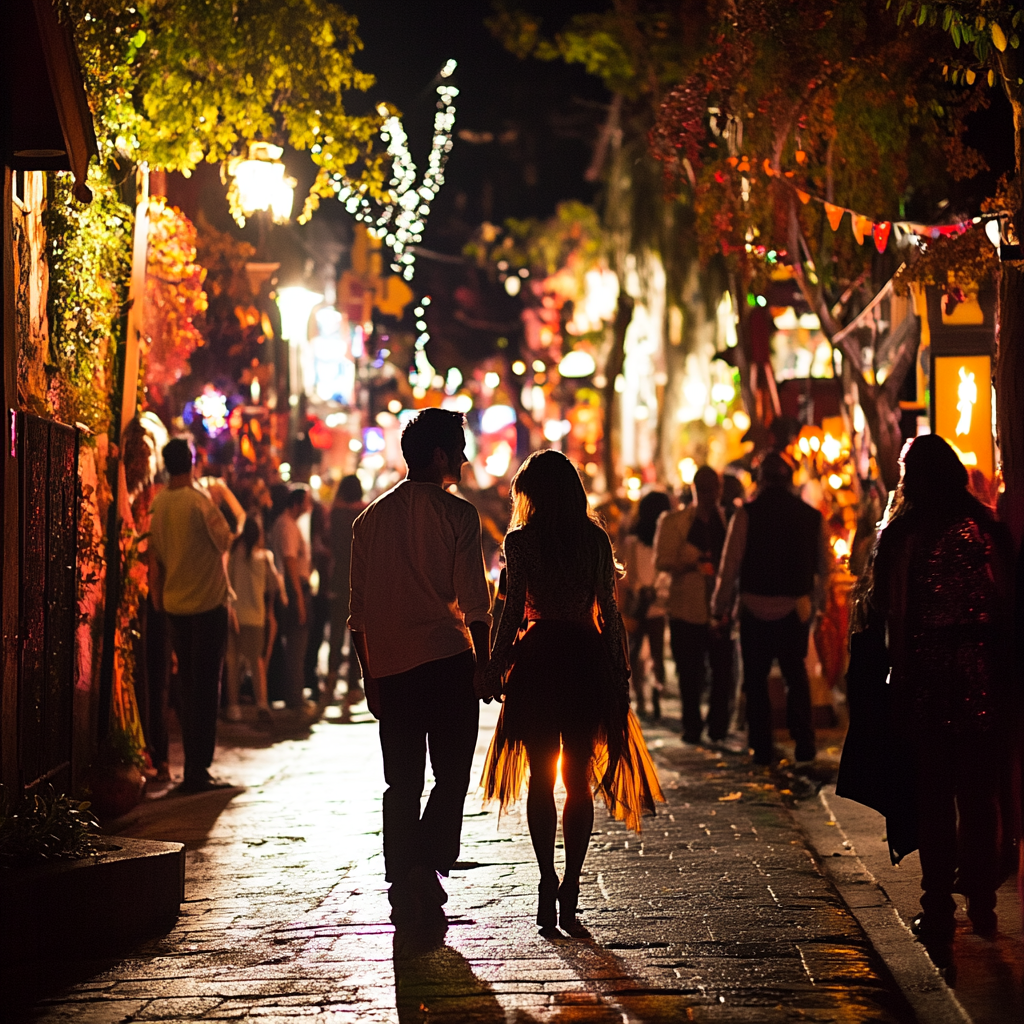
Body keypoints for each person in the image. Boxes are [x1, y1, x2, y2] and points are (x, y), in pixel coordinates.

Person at [483, 450, 663, 936]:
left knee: (541, 777)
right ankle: (573, 885)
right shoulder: (595, 539)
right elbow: (610, 610)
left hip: (539, 661)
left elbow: (511, 611)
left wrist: (496, 666)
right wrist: (621, 673)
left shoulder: (520, 541)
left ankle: (546, 878)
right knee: (578, 777)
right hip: (585, 659)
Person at [863, 435, 1013, 973]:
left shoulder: (904, 535)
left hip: (927, 676)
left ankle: (938, 907)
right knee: (977, 792)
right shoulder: (988, 529)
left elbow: (886, 610)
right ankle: (982, 900)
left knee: (935, 794)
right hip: (981, 675)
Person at [348, 408, 493, 946]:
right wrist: (484, 664)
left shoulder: (369, 521)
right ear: (438, 455)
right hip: (447, 661)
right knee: (452, 776)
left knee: (401, 781)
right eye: (457, 448)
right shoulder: (459, 516)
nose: (463, 458)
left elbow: (357, 612)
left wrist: (371, 675)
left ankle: (403, 873)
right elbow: (475, 604)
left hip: (394, 668)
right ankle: (426, 864)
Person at [712, 453, 831, 765]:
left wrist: (719, 605)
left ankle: (761, 745)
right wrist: (819, 605)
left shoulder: (746, 514)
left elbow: (730, 564)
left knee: (755, 679)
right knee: (796, 676)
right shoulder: (810, 516)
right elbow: (824, 566)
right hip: (796, 607)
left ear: (760, 480)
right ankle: (804, 741)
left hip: (753, 606)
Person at [147, 437, 245, 792]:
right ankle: (197, 769)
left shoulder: (157, 505)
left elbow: (154, 559)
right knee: (205, 689)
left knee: (187, 688)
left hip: (175, 607)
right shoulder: (200, 501)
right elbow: (225, 540)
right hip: (207, 605)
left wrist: (159, 602)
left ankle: (191, 766)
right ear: (191, 462)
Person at [655, 466, 732, 744]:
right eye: (704, 488)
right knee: (689, 672)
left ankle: (718, 725)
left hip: (720, 607)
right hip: (686, 607)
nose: (710, 494)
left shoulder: (729, 519)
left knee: (722, 671)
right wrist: (693, 561)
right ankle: (692, 725)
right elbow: (662, 560)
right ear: (695, 489)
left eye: (714, 488)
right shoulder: (675, 521)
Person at [225, 515, 285, 726]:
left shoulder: (233, 556)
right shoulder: (265, 557)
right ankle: (262, 703)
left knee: (232, 662)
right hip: (256, 616)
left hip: (235, 615)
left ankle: (233, 707)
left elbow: (228, 584)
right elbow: (274, 588)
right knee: (257, 662)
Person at [621, 491, 671, 720]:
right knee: (647, 652)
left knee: (641, 652)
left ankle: (647, 695)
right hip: (647, 603)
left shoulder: (635, 541)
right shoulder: (652, 540)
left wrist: (643, 588)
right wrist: (648, 588)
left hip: (648, 602)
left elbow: (628, 571)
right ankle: (647, 695)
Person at [272, 485, 313, 712]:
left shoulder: (286, 523)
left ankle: (294, 693)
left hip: (292, 589)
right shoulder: (287, 525)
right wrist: (298, 598)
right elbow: (290, 562)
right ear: (297, 502)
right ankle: (294, 696)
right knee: (297, 644)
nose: (309, 505)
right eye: (307, 501)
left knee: (295, 645)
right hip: (295, 589)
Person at [327, 475, 367, 702]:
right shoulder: (365, 513)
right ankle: (353, 683)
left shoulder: (335, 513)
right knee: (357, 633)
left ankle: (331, 680)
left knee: (335, 632)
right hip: (359, 579)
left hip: (338, 578)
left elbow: (329, 543)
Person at [303, 490, 332, 701]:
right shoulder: (319, 543)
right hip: (318, 594)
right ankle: (310, 678)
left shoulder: (311, 537)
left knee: (313, 638)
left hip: (315, 593)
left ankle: (310, 677)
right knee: (314, 638)